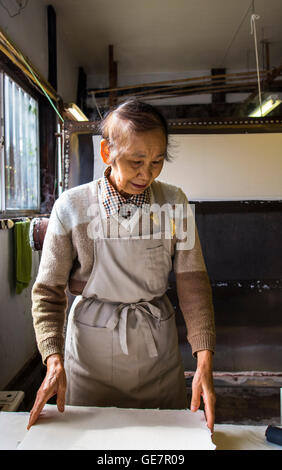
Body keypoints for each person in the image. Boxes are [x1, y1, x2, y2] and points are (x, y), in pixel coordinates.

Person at [27, 99, 216, 432]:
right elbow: (48, 290)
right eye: (136, 161)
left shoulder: (174, 203)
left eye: (157, 161)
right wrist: (52, 357)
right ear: (106, 153)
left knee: (163, 440)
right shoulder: (71, 207)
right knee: (91, 439)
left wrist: (204, 358)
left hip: (155, 352)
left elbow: (193, 283)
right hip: (90, 356)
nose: (147, 174)